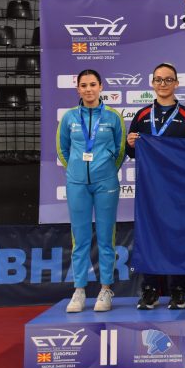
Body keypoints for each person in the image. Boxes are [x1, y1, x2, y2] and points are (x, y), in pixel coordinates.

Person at [127, 62, 185, 310]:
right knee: (150, 236)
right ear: (152, 83)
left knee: (177, 237)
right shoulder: (141, 116)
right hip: (150, 190)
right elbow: (132, 153)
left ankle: (178, 289)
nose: (163, 84)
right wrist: (130, 143)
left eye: (168, 80)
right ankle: (149, 290)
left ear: (176, 83)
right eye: (158, 80)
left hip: (179, 188)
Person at [56, 69, 126, 313]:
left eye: (92, 84)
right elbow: (62, 150)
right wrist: (76, 169)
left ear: (101, 87)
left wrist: (105, 169)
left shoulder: (113, 117)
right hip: (77, 184)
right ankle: (79, 290)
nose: (88, 89)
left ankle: (105, 289)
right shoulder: (69, 118)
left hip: (106, 183)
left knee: (107, 238)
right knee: (80, 239)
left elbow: (120, 150)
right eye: (83, 85)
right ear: (77, 89)